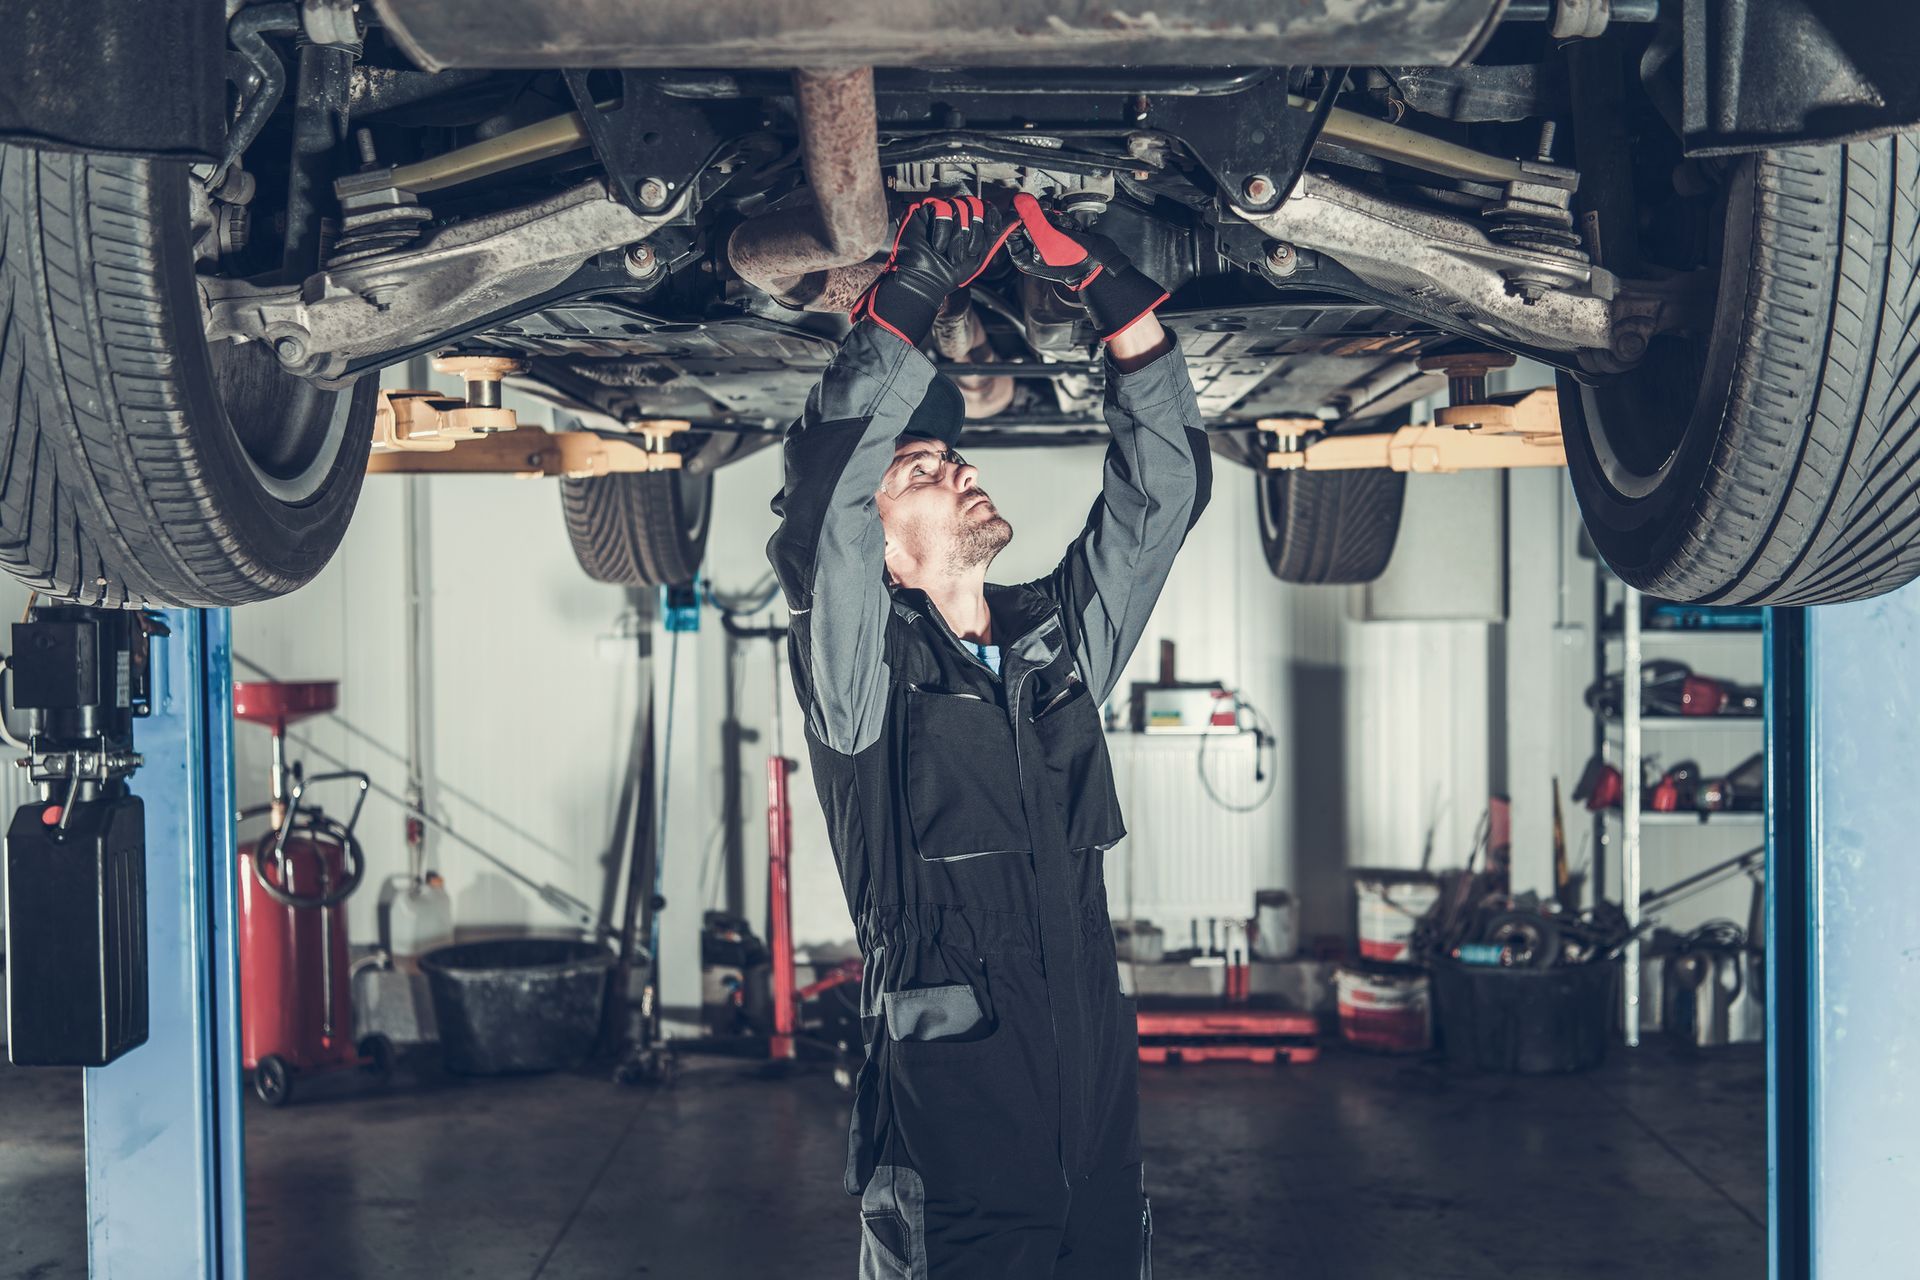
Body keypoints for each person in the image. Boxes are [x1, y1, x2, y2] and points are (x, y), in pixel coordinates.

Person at [767, 191, 1211, 1278]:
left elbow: (1164, 494)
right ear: (888, 562)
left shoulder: (1057, 653)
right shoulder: (863, 688)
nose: (958, 467)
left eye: (947, 459)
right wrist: (911, 290)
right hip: (954, 1184)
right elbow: (823, 506)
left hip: (1096, 1158)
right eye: (920, 472)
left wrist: (1116, 302)